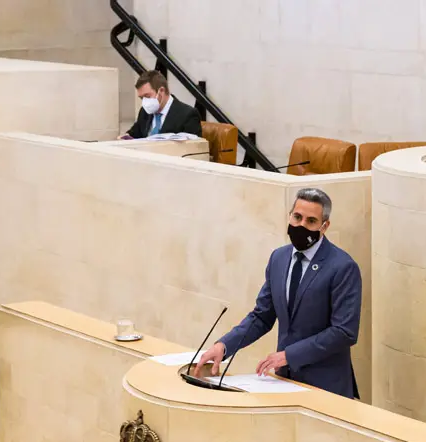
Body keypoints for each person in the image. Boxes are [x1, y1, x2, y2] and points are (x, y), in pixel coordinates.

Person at [192, 188, 363, 399]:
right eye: (297, 217)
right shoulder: (279, 259)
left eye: (311, 221)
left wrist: (289, 355)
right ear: (289, 216)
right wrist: (224, 346)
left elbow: (344, 331)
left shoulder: (343, 267)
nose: (301, 225)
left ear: (324, 226)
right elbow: (262, 316)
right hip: (284, 381)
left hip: (325, 386)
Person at [119, 70, 202, 139]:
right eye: (141, 98)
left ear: (161, 91)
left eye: (147, 96)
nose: (145, 101)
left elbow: (194, 149)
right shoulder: (145, 112)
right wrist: (125, 137)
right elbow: (134, 134)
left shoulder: (188, 114)